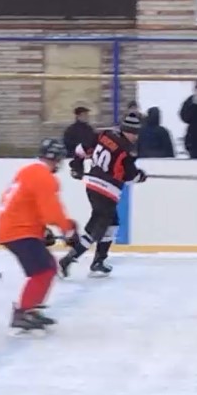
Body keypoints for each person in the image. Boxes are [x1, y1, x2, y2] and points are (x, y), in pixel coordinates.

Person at [0, 139, 80, 334]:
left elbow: (26, 204)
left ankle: (30, 309)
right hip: (19, 230)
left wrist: (42, 231)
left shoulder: (28, 171)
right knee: (43, 270)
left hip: (14, 227)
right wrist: (68, 230)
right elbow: (52, 210)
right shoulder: (44, 176)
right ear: (57, 159)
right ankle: (24, 312)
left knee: (47, 266)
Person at [59, 107, 146, 279]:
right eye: (133, 133)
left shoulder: (104, 135)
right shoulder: (127, 150)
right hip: (107, 190)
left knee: (112, 222)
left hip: (92, 185)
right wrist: (139, 176)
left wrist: (76, 166)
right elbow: (129, 176)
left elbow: (80, 150)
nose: (135, 137)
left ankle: (99, 260)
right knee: (97, 227)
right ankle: (69, 259)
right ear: (127, 131)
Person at [64, 105, 97, 177]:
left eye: (87, 115)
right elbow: (68, 144)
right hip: (75, 160)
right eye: (84, 115)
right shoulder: (71, 130)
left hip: (89, 159)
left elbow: (94, 141)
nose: (86, 117)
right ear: (78, 116)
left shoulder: (89, 129)